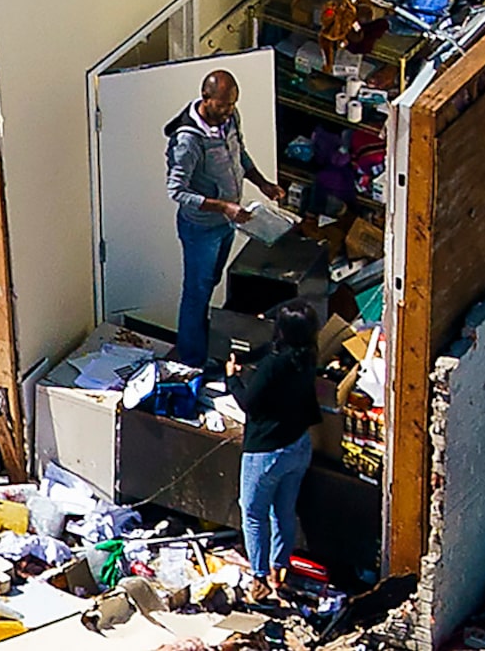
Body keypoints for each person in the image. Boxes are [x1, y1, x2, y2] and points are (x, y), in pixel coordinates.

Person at [165, 70, 270, 369]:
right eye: (223, 105)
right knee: (196, 293)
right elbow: (177, 191)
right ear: (206, 98)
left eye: (233, 104)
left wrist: (262, 183)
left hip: (226, 224)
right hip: (200, 229)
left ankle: (203, 342)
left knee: (211, 282)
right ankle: (192, 360)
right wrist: (224, 207)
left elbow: (241, 157)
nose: (229, 111)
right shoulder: (188, 141)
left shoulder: (230, 120)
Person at [232, 301, 324, 597]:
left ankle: (258, 579)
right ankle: (279, 570)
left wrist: (231, 378)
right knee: (283, 510)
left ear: (282, 331)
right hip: (298, 446)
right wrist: (247, 356)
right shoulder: (308, 355)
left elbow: (248, 403)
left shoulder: (273, 365)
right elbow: (270, 348)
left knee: (253, 513)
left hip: (267, 452)